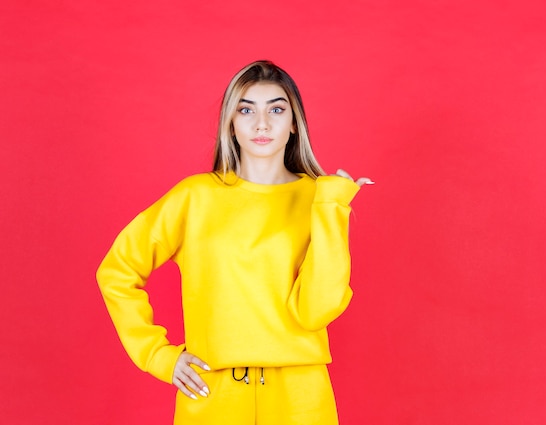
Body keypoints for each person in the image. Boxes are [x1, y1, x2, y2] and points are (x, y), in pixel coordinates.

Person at [96, 60, 372, 424]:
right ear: (231, 122)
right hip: (213, 393)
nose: (262, 123)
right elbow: (117, 271)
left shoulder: (320, 199)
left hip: (300, 394)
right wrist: (157, 355)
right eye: (246, 109)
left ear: (294, 124)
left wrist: (332, 203)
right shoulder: (194, 197)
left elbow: (317, 310)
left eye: (276, 109)